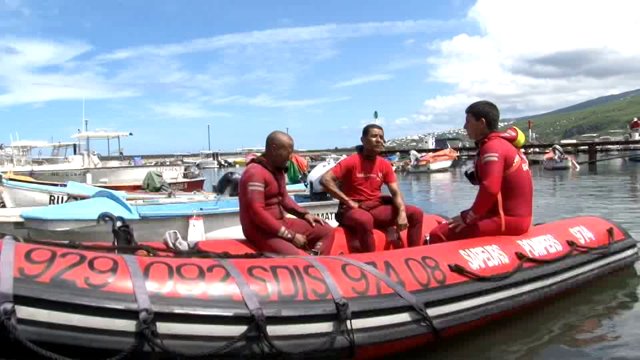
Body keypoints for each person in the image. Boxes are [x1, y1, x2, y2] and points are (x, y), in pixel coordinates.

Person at [429, 101, 533, 243]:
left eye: (468, 121)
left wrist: (468, 217)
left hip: (506, 221)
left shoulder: (492, 147)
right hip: (517, 219)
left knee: (437, 234)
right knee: (453, 222)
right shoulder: (504, 144)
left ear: (482, 122)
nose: (465, 126)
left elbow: (490, 189)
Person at [320, 124, 424, 252]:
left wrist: (402, 213)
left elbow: (396, 193)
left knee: (416, 213)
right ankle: (371, 259)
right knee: (365, 219)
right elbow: (325, 180)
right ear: (363, 140)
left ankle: (415, 253)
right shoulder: (351, 161)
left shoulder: (384, 164)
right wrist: (348, 201)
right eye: (374, 136)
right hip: (351, 209)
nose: (379, 140)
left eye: (381, 137)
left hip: (375, 207)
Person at [239, 131, 334, 255]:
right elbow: (257, 212)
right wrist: (291, 236)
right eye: (288, 152)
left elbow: (284, 199)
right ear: (274, 149)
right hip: (260, 230)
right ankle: (307, 264)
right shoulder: (254, 172)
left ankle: (316, 261)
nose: (290, 157)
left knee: (327, 230)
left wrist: (304, 214)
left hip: (280, 223)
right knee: (298, 258)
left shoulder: (277, 170)